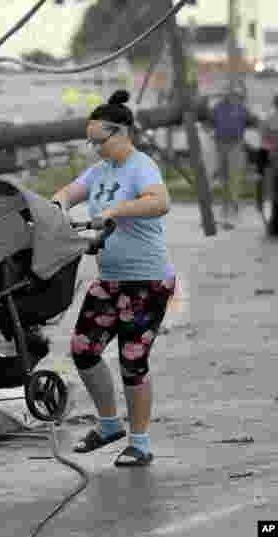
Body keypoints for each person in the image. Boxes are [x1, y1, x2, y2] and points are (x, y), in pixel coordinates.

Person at [50, 89, 174, 467]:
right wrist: (56, 207)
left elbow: (160, 201)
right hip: (109, 280)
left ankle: (140, 442)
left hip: (147, 282)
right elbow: (70, 192)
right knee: (84, 350)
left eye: (98, 141)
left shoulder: (142, 167)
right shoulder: (100, 171)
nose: (94, 148)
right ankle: (108, 425)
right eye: (90, 142)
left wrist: (118, 211)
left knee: (132, 361)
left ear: (121, 133)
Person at [210, 88, 250, 227]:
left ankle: (233, 203)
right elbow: (210, 122)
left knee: (233, 174)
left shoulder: (240, 108)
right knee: (225, 175)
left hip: (234, 144)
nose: (231, 96)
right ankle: (227, 203)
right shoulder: (219, 108)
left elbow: (249, 121)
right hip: (222, 143)